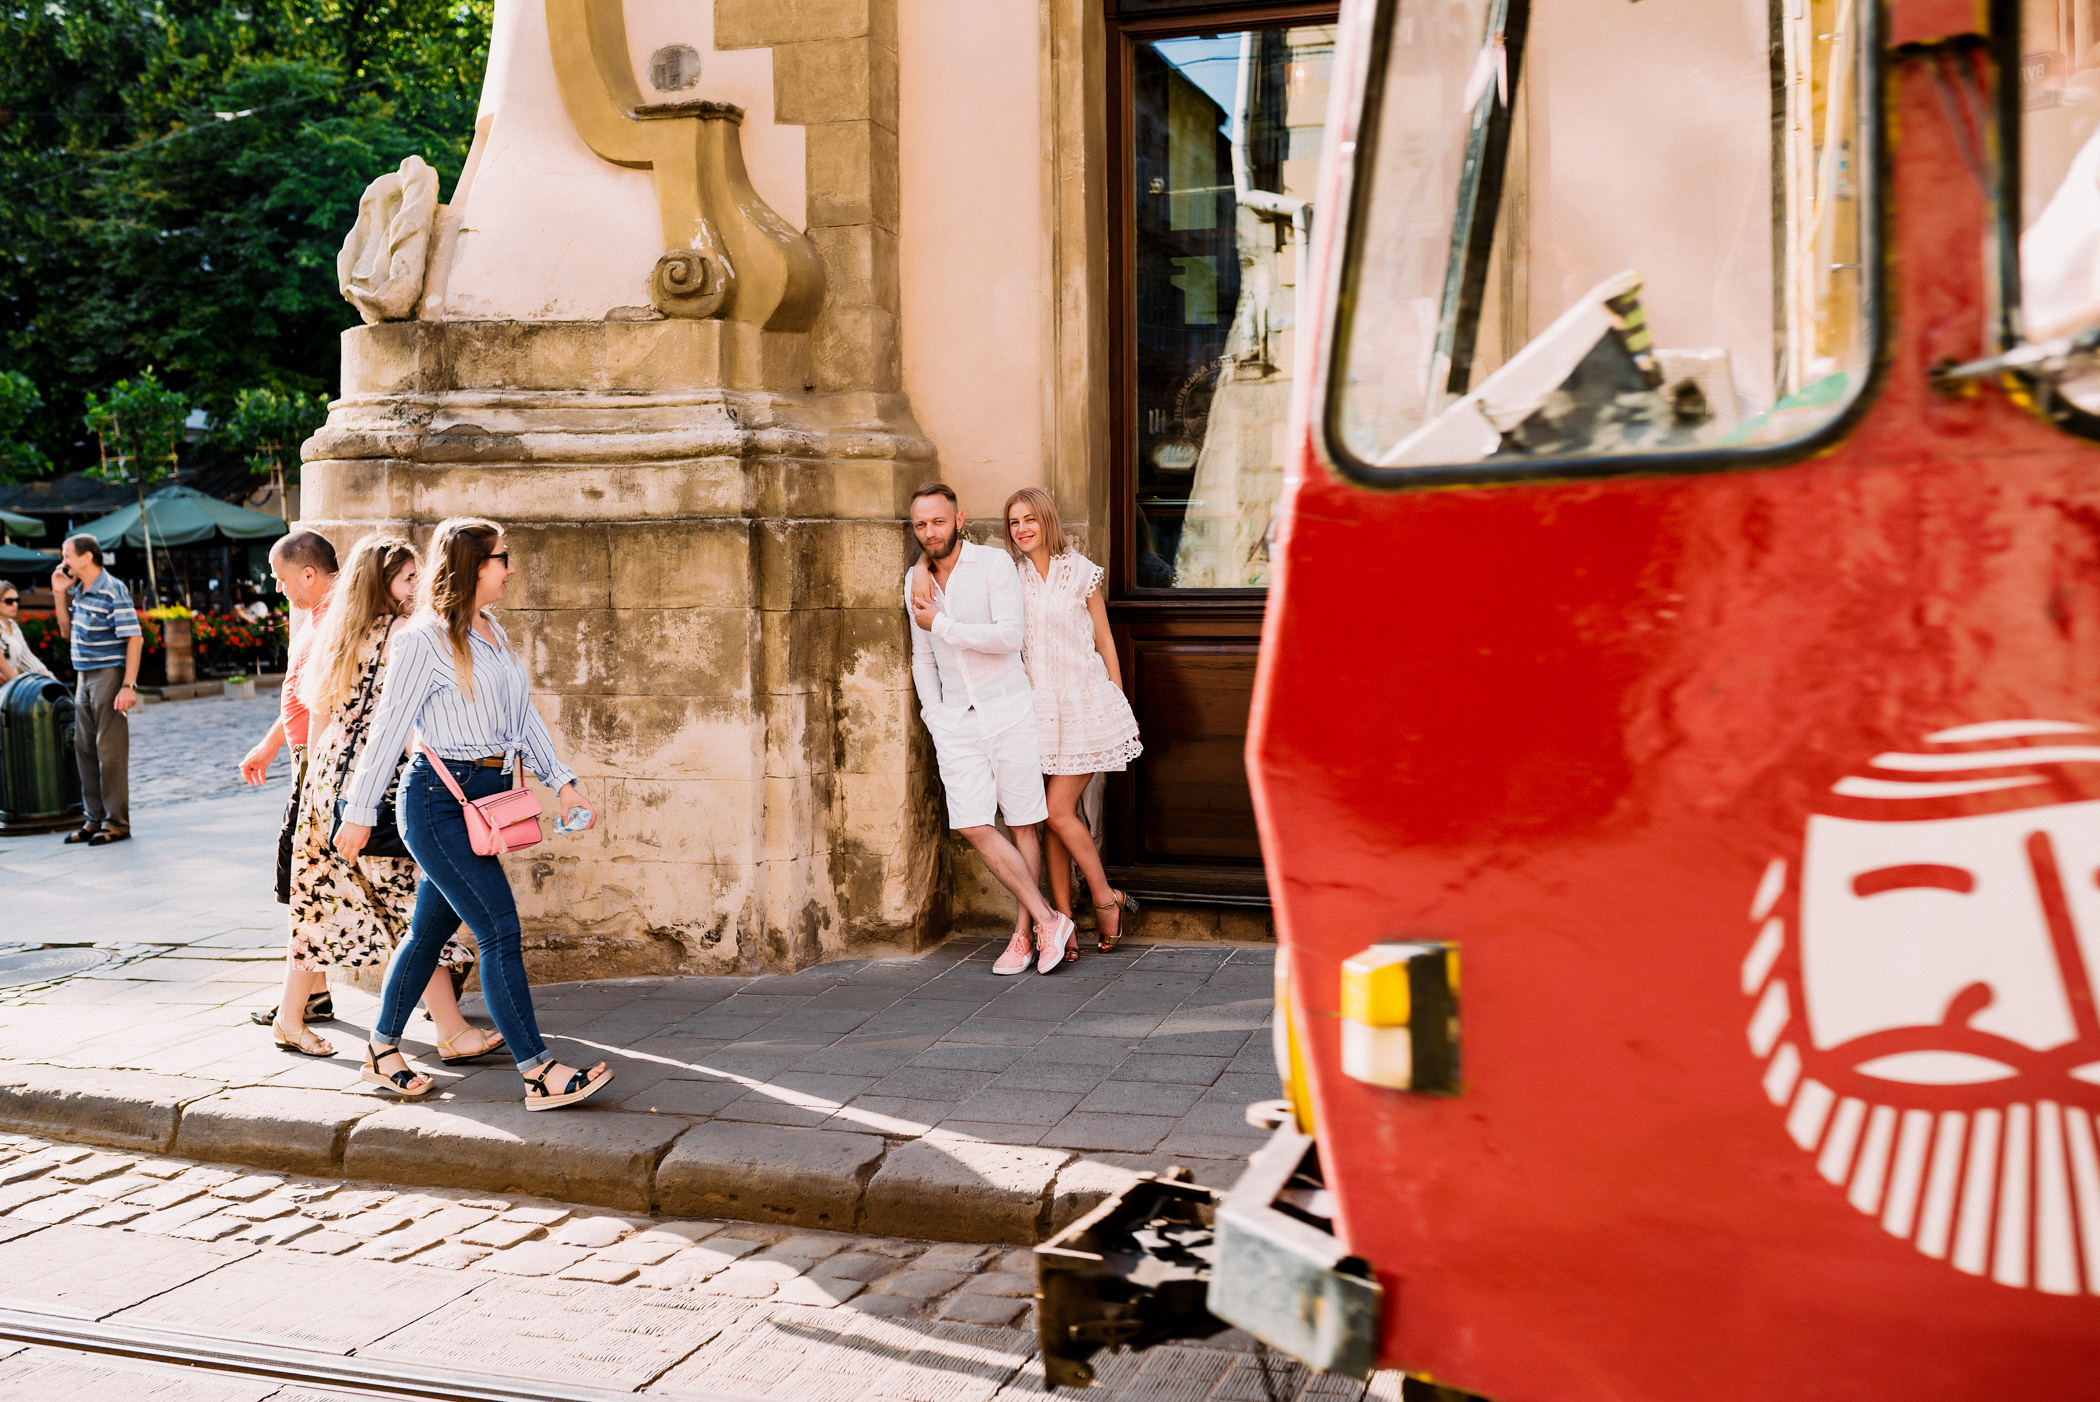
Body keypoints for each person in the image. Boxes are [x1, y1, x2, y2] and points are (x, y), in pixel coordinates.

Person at [335, 518, 610, 1108]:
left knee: (427, 933)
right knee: (499, 929)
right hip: (437, 802)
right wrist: (357, 812)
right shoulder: (421, 640)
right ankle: (538, 1071)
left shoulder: (492, 631)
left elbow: (524, 719)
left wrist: (563, 782)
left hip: (483, 796)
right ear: (470, 566)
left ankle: (382, 1052)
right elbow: (387, 732)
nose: (510, 569)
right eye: (501, 558)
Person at [269, 535, 499, 1063]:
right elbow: (415, 719)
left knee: (319, 901)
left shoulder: (334, 631)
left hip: (326, 780)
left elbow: (320, 717)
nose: (417, 588)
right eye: (408, 579)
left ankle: (288, 1018)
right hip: (374, 785)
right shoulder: (404, 634)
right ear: (384, 583)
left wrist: (311, 795)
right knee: (407, 907)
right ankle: (449, 1028)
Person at [943, 488, 1145, 955]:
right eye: (1014, 522)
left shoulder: (1081, 573)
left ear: (1047, 521)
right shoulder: (1009, 577)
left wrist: (1118, 701)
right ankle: (1063, 921)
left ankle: (1104, 897)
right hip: (1033, 710)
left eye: (1030, 519)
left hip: (1084, 705)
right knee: (1046, 816)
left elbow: (1105, 640)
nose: (1022, 529)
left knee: (1057, 811)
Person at [904, 482, 1078, 975]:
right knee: (972, 823)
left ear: (959, 521)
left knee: (1023, 820)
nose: (930, 532)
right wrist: (933, 714)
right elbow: (922, 659)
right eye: (921, 524)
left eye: (938, 521)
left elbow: (1007, 637)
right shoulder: (914, 580)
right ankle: (1049, 918)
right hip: (954, 721)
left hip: (1008, 711)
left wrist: (942, 623)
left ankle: (1024, 935)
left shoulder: (994, 565)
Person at [240, 531, 341, 1029]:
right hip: (305, 760)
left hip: (320, 767)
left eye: (281, 580)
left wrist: (313, 764)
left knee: (302, 882)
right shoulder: (315, 619)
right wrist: (272, 742)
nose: (279, 590)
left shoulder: (337, 620)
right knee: (299, 882)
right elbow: (301, 696)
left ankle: (299, 1008)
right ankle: (313, 994)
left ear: (308, 574)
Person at [49, 534, 139, 846]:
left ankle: (116, 822)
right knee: (84, 748)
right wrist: (60, 594)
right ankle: (94, 820)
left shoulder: (112, 589)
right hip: (84, 675)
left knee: (109, 752)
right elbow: (65, 631)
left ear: (87, 556)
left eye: (67, 555)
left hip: (108, 675)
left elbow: (134, 638)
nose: (64, 562)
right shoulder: (80, 590)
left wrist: (128, 685)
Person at [0, 584, 53, 683]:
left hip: (11, 687)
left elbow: (28, 658)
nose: (15, 604)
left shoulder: (13, 626)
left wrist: (48, 676)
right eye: (9, 601)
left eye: (17, 600)